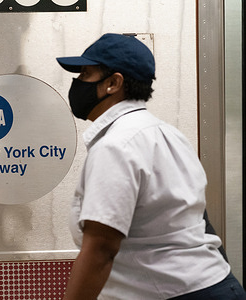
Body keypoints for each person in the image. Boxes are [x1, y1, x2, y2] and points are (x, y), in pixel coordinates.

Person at [56, 33, 245, 299]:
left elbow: (101, 250)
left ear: (113, 83)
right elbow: (200, 222)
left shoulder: (117, 146)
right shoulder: (168, 134)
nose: (77, 83)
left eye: (86, 74)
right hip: (217, 284)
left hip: (176, 293)